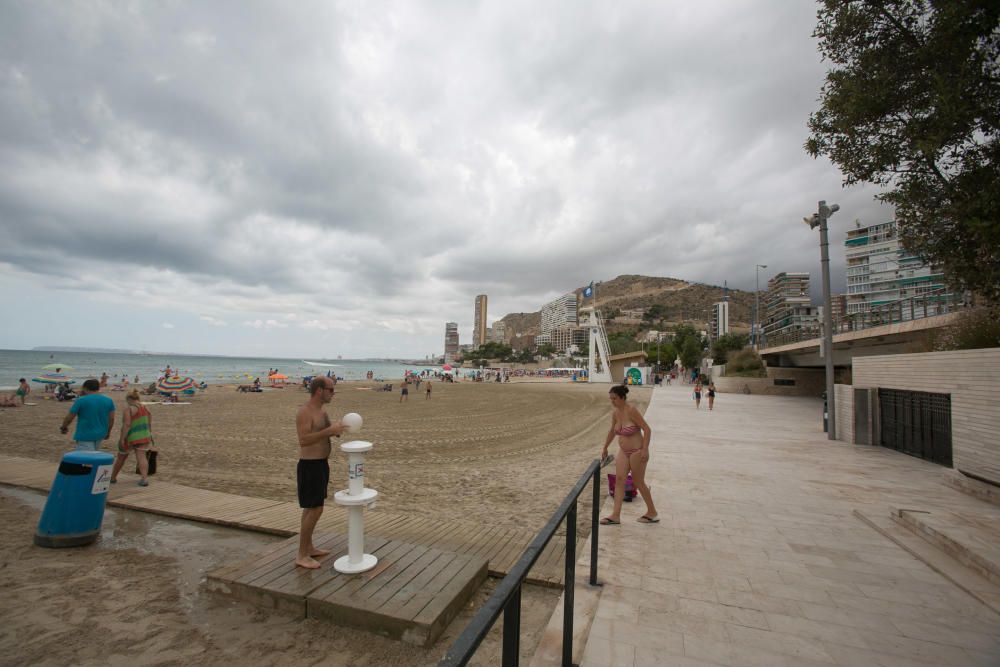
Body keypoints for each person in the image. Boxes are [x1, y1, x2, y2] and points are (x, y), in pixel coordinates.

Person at [294, 376, 346, 569]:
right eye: (331, 390)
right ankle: (301, 554)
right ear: (319, 391)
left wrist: (337, 429)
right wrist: (329, 431)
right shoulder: (305, 412)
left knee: (312, 508)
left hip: (321, 464)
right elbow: (304, 440)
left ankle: (309, 547)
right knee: (315, 509)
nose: (333, 394)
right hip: (309, 465)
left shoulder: (322, 412)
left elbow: (329, 431)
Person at [599, 385, 658, 524]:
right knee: (619, 480)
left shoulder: (631, 411)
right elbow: (612, 431)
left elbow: (647, 429)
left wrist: (645, 449)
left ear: (622, 397)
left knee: (638, 482)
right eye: (610, 399)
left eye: (614, 398)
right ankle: (615, 515)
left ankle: (652, 512)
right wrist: (605, 447)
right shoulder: (616, 413)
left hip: (637, 451)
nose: (612, 401)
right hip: (624, 452)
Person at [60, 379, 115, 451]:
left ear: (85, 388)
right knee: (94, 456)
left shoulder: (81, 400)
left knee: (86, 459)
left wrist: (64, 427)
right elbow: (111, 419)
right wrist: (108, 432)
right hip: (101, 433)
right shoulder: (108, 400)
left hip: (85, 434)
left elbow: (70, 417)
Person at [111, 390, 152, 486]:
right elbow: (149, 422)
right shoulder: (146, 408)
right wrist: (149, 432)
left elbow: (127, 424)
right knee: (142, 457)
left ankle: (113, 477)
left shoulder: (129, 409)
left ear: (129, 399)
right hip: (144, 435)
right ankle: (144, 479)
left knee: (121, 457)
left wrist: (122, 438)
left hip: (131, 436)